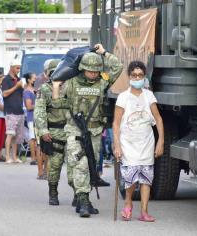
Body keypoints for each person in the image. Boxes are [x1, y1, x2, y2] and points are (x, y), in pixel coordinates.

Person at [52, 44, 123, 217]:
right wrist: (55, 89)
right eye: (90, 71)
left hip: (96, 131)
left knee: (91, 165)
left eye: (96, 71)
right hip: (75, 130)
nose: (93, 74)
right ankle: (83, 201)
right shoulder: (71, 83)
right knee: (81, 164)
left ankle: (84, 198)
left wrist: (104, 52)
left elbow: (118, 66)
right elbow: (57, 104)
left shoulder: (103, 82)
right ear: (83, 69)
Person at [112, 61, 164, 222]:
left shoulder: (149, 96)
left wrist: (160, 141)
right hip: (128, 144)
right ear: (129, 77)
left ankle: (144, 211)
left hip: (146, 143)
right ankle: (128, 203)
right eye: (134, 75)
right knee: (131, 178)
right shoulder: (123, 97)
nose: (137, 77)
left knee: (146, 179)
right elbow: (116, 123)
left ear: (144, 77)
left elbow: (158, 119)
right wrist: (117, 145)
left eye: (140, 75)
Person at [35, 59, 75, 205]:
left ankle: (79, 193)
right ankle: (53, 191)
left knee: (75, 165)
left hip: (72, 131)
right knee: (54, 165)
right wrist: (43, 130)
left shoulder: (71, 87)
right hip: (54, 132)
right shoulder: (44, 89)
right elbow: (39, 111)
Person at [2, 58, 25, 164]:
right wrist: (17, 86)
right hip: (10, 111)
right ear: (11, 68)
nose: (18, 70)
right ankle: (7, 157)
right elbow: (5, 94)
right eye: (17, 68)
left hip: (19, 110)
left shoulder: (18, 79)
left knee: (17, 136)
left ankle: (15, 157)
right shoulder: (6, 79)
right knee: (10, 134)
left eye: (19, 68)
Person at [23, 72, 38, 165]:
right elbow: (28, 107)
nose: (35, 79)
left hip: (36, 117)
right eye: (34, 78)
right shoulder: (27, 92)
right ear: (29, 80)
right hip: (31, 118)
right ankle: (33, 158)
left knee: (37, 138)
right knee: (32, 138)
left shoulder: (34, 90)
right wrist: (39, 105)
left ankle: (37, 157)